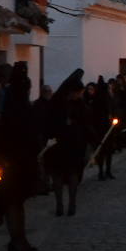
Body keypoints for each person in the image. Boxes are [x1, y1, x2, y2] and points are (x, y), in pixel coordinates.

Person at [0, 61, 38, 251]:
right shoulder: (15, 106)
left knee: (16, 201)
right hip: (13, 160)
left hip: (16, 159)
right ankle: (17, 240)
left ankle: (19, 239)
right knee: (13, 201)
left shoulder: (15, 104)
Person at [45, 69, 87, 216]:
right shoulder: (57, 103)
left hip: (74, 145)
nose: (81, 95)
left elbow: (85, 121)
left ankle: (72, 203)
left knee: (72, 173)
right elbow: (50, 121)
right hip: (59, 144)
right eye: (79, 92)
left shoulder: (79, 104)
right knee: (58, 175)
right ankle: (59, 204)